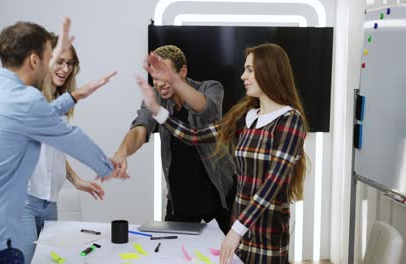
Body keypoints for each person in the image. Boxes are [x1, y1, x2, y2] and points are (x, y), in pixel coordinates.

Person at [0, 18, 127, 263]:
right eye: (51, 58)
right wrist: (109, 167)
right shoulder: (27, 101)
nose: (55, 66)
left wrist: (74, 96)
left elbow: (33, 116)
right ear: (34, 60)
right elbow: (71, 138)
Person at [136, 43, 308, 264]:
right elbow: (195, 136)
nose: (242, 76)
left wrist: (236, 230)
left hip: (266, 233)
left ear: (270, 72)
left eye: (249, 70)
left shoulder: (289, 119)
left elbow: (273, 184)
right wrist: (158, 112)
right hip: (238, 228)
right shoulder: (247, 116)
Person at [111, 45, 235, 233]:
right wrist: (122, 153)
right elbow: (140, 129)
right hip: (181, 197)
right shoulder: (155, 99)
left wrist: (175, 83)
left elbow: (207, 109)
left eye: (164, 76)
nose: (159, 83)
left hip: (221, 193)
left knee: (237, 255)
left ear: (182, 71)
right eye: (155, 77)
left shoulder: (210, 87)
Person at [20, 34, 114, 263]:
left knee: (48, 259)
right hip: (24, 200)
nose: (65, 69)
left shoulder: (61, 102)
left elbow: (54, 149)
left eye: (69, 63)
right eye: (59, 62)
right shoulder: (29, 97)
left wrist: (76, 179)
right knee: (29, 259)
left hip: (49, 201)